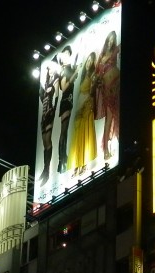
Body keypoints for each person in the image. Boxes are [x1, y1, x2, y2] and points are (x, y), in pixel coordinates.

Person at [66, 50, 98, 178]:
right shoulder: (83, 76)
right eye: (88, 60)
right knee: (78, 138)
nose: (88, 63)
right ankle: (77, 165)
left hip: (87, 108)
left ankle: (83, 164)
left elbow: (91, 93)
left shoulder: (92, 76)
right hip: (79, 110)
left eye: (91, 61)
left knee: (86, 135)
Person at [93, 29, 120, 161]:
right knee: (109, 117)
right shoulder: (101, 58)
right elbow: (96, 75)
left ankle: (120, 142)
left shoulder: (116, 50)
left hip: (116, 85)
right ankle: (106, 150)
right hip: (106, 90)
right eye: (109, 40)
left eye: (112, 40)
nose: (110, 42)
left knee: (118, 114)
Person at [37, 59, 60, 185]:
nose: (49, 71)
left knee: (48, 140)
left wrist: (53, 110)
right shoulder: (45, 83)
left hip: (49, 111)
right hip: (44, 113)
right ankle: (45, 170)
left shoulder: (55, 79)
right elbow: (42, 98)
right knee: (45, 142)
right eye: (48, 69)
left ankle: (47, 170)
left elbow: (56, 95)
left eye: (51, 68)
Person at [55, 46, 77, 174]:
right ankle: (62, 160)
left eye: (68, 54)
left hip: (68, 100)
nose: (66, 56)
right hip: (66, 101)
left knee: (65, 131)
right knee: (64, 131)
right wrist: (74, 75)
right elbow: (64, 87)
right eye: (65, 54)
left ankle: (62, 160)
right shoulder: (64, 70)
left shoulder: (67, 68)